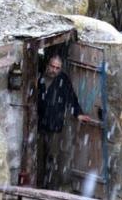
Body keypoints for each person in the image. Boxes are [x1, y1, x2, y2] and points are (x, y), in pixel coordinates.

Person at [36, 54, 95, 189]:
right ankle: (37, 186)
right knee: (38, 157)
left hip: (55, 125)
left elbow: (71, 98)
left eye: (57, 68)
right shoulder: (39, 77)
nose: (54, 70)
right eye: (52, 66)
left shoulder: (63, 80)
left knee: (52, 157)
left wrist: (78, 114)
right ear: (47, 65)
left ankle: (51, 188)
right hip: (39, 125)